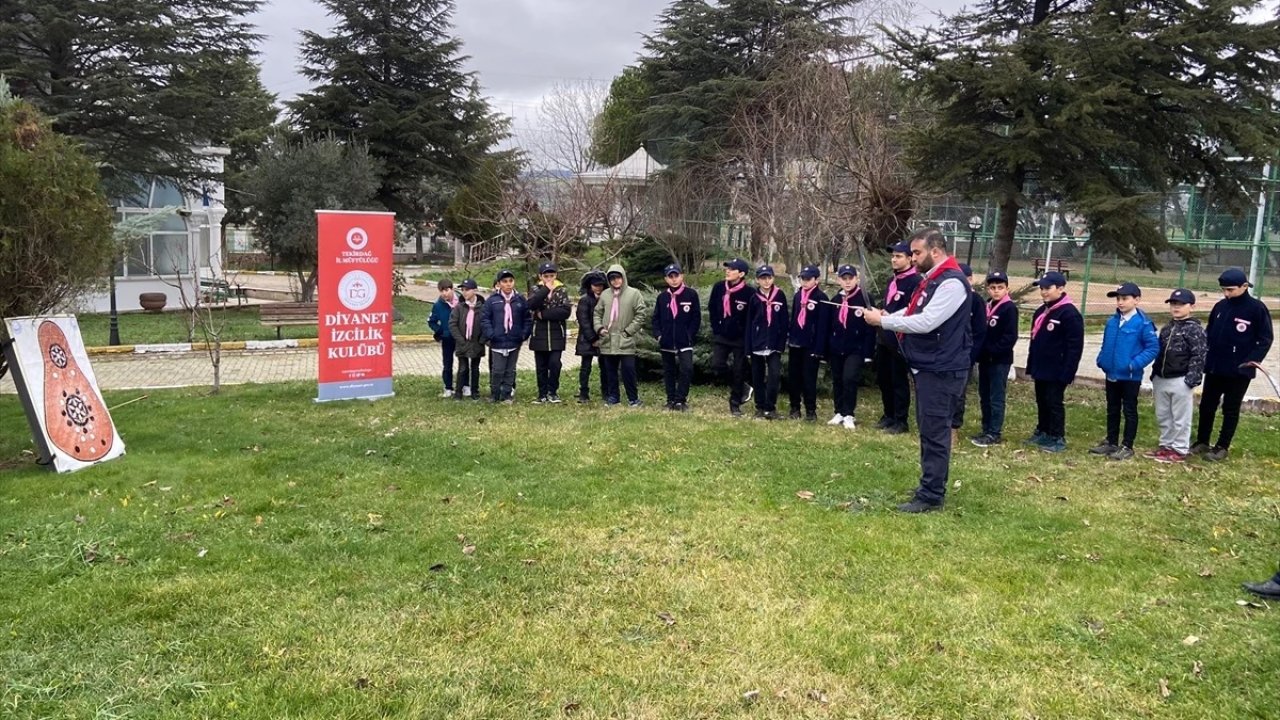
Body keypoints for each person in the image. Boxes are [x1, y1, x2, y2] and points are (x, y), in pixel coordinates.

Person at [863, 227, 971, 513]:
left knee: (935, 432)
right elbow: (913, 313)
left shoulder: (952, 284)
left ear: (935, 252)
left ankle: (931, 495)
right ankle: (929, 484)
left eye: (917, 253)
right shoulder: (932, 281)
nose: (913, 258)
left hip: (943, 369)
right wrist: (886, 315)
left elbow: (927, 322)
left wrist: (883, 323)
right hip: (929, 366)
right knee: (928, 429)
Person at [1193, 268, 1274, 462]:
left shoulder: (1256, 308)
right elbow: (1210, 332)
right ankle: (1202, 441)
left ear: (1244, 286)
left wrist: (1252, 360)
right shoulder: (1220, 306)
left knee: (1230, 408)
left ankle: (1222, 446)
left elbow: (1265, 338)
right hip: (1215, 367)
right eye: (1224, 290)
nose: (1226, 293)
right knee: (1207, 405)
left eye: (1230, 289)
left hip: (1239, 370)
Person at [1090, 282, 1159, 461]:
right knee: (1112, 408)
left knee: (1129, 409)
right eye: (1118, 299)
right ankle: (1111, 441)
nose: (1120, 302)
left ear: (1136, 300)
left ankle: (1127, 445)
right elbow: (1106, 344)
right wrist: (1102, 359)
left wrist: (1133, 364)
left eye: (1125, 299)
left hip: (1129, 376)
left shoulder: (1143, 323)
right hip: (1111, 372)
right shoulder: (1112, 322)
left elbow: (1152, 348)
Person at [1025, 271, 1084, 453]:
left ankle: (1057, 436)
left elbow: (1075, 347)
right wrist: (1031, 363)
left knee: (1054, 401)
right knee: (1042, 400)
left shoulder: (1069, 313)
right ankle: (1043, 430)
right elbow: (1035, 340)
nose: (1044, 292)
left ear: (1060, 288)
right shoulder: (1042, 311)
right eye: (1041, 288)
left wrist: (1068, 372)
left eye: (1048, 288)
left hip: (1057, 369)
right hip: (1041, 366)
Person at [1146, 288, 1207, 463]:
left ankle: (1180, 449)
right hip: (1162, 378)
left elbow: (1199, 355)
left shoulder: (1194, 329)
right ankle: (1166, 445)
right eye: (1173, 304)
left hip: (1181, 379)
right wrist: (1154, 374)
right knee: (1163, 415)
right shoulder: (1167, 328)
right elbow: (1159, 352)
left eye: (1181, 304)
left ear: (1191, 307)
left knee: (1181, 417)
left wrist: (1191, 379)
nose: (1176, 308)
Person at [874, 242, 921, 434]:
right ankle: (889, 414)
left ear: (910, 259)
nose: (894, 259)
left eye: (899, 256)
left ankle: (901, 420)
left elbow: (912, 310)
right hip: (885, 335)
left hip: (901, 339)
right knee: (883, 378)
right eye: (893, 256)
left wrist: (891, 317)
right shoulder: (892, 280)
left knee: (898, 379)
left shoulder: (915, 281)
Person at [971, 270, 1019, 447]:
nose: (996, 291)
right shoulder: (986, 306)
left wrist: (992, 350)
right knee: (984, 395)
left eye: (1000, 287)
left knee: (996, 396)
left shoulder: (1009, 308)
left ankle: (994, 432)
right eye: (992, 288)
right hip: (984, 359)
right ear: (987, 289)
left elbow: (1010, 337)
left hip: (999, 360)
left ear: (1007, 288)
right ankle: (986, 428)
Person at [826, 264, 876, 430]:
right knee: (838, 379)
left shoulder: (864, 298)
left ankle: (849, 414)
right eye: (844, 279)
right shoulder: (835, 300)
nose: (847, 282)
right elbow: (830, 326)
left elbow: (870, 327)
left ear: (857, 279)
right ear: (839, 280)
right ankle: (839, 411)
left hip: (856, 348)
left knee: (849, 378)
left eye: (850, 278)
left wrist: (868, 352)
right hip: (837, 347)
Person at [594, 264, 646, 407]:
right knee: (610, 371)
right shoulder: (605, 295)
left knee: (628, 370)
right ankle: (613, 397)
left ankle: (633, 398)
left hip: (625, 339)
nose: (615, 281)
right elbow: (597, 313)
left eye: (618, 278)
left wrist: (629, 331)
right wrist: (599, 328)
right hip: (608, 339)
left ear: (623, 277)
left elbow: (641, 314)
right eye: (612, 278)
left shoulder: (634, 294)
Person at [652, 263, 701, 411]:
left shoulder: (691, 295)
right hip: (666, 341)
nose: (674, 279)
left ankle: (681, 400)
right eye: (670, 277)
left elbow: (696, 318)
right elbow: (656, 319)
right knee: (669, 371)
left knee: (686, 369)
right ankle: (670, 399)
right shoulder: (662, 298)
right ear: (666, 279)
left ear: (682, 276)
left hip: (684, 341)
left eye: (676, 276)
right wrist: (659, 335)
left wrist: (689, 335)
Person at [709, 258, 754, 416]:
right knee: (717, 365)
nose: (727, 271)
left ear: (741, 274)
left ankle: (735, 403)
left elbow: (751, 317)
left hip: (740, 338)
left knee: (738, 370)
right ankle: (743, 387)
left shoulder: (749, 293)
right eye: (727, 268)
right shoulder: (719, 288)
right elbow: (712, 309)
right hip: (722, 335)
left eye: (732, 269)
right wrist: (717, 328)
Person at [480, 269, 531, 403]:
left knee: (510, 370)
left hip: (514, 341)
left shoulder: (520, 300)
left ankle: (507, 394)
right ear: (499, 284)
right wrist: (491, 334)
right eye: (504, 281)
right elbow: (485, 319)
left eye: (510, 281)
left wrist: (523, 334)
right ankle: (495, 394)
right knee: (497, 370)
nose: (508, 284)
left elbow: (527, 318)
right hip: (497, 341)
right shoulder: (492, 301)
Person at [949, 263, 987, 443]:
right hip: (947, 354)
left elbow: (979, 333)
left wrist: (971, 356)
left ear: (970, 280)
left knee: (959, 392)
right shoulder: (949, 299)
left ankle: (954, 427)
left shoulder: (977, 301)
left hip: (964, 356)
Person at [745, 264, 789, 419]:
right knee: (757, 376)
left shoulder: (779, 296)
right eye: (763, 278)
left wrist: (781, 343)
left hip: (774, 344)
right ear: (757, 280)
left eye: (769, 278)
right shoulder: (754, 298)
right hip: (757, 343)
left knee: (774, 375)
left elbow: (784, 321)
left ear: (773, 278)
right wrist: (748, 348)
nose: (766, 281)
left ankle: (770, 408)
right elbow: (749, 323)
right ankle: (759, 406)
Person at [527, 262, 572, 404]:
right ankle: (542, 393)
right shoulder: (536, 289)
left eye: (552, 275)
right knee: (541, 366)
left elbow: (565, 311)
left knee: (554, 364)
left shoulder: (562, 290)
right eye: (546, 276)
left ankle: (553, 391)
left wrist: (543, 315)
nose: (549, 279)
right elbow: (532, 305)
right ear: (541, 276)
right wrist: (545, 289)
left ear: (556, 275)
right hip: (539, 334)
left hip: (556, 333)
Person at [787, 264, 828, 421]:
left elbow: (823, 326)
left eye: (808, 279)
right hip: (796, 342)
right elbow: (794, 317)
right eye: (802, 279)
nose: (804, 282)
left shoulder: (821, 298)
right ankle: (794, 408)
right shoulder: (798, 296)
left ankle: (811, 410)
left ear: (816, 280)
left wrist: (819, 348)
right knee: (794, 377)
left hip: (811, 345)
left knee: (809, 378)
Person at [448, 278, 485, 401]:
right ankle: (458, 392)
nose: (465, 292)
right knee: (463, 368)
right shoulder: (459, 308)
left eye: (467, 290)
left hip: (476, 342)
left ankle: (475, 391)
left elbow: (486, 324)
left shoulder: (482, 307)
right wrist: (460, 340)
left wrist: (482, 339)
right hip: (463, 342)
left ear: (474, 290)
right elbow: (452, 324)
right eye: (463, 290)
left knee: (475, 368)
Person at [574, 270, 606, 403]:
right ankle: (583, 392)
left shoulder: (607, 299)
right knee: (585, 367)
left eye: (600, 285)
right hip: (587, 339)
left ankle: (606, 391)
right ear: (590, 286)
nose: (598, 288)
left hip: (603, 337)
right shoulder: (585, 300)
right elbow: (584, 321)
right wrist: (593, 338)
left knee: (604, 366)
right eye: (595, 285)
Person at [427, 279, 458, 397]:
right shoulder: (438, 305)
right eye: (441, 291)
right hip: (447, 338)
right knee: (447, 363)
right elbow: (431, 321)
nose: (444, 293)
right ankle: (448, 387)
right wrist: (441, 331)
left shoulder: (461, 301)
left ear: (452, 289)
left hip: (461, 337)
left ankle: (465, 386)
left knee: (464, 363)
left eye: (446, 290)